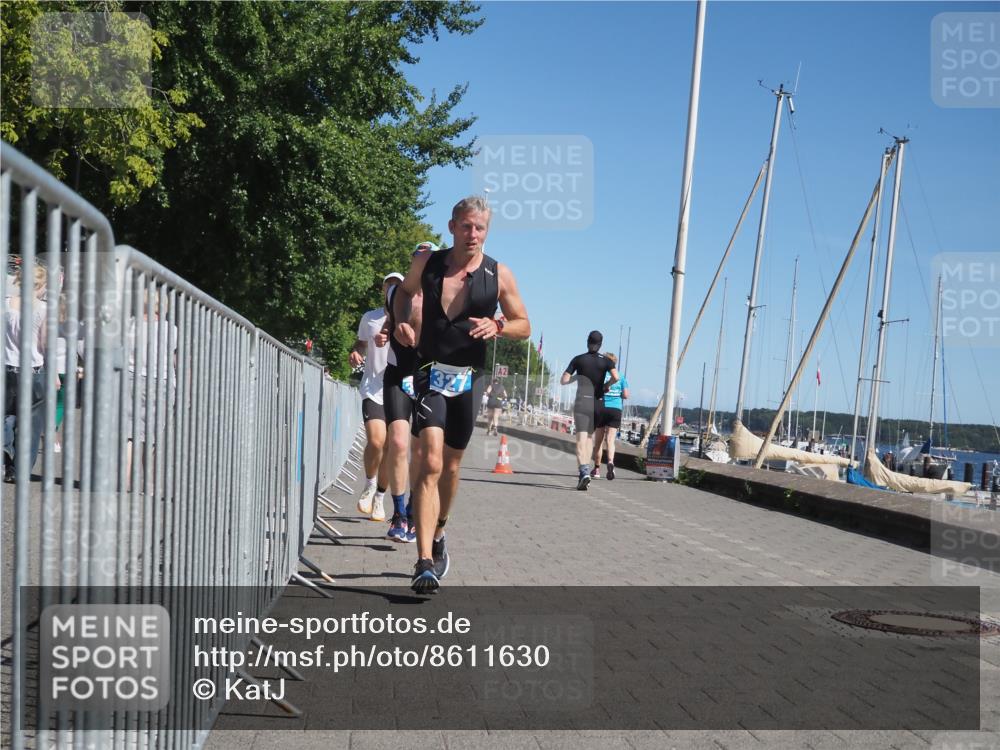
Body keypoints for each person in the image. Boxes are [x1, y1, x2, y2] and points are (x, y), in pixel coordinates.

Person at [393, 196, 530, 592]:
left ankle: (439, 531)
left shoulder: (498, 274)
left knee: (451, 467)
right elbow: (404, 293)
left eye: (480, 228)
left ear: (487, 231)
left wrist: (499, 326)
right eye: (466, 226)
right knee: (430, 461)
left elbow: (525, 324)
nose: (473, 234)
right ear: (452, 226)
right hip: (428, 370)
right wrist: (402, 322)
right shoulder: (428, 263)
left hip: (469, 379)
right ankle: (422, 563)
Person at [375, 244, 436, 543]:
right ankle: (398, 514)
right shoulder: (395, 293)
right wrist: (386, 331)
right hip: (398, 374)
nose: (422, 266)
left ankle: (413, 511)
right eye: (418, 261)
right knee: (397, 442)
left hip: (427, 378)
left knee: (423, 453)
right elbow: (389, 318)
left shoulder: (442, 297)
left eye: (429, 261)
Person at [348, 274, 399, 522]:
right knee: (377, 442)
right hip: (373, 388)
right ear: (383, 289)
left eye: (398, 286)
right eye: (389, 285)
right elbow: (360, 345)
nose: (393, 289)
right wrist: (356, 354)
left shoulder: (409, 317)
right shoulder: (370, 318)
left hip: (398, 390)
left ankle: (379, 497)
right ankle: (369, 483)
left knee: (391, 449)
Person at [3, 266, 47, 483]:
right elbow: (44, 343)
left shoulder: (6, 304)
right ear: (39, 286)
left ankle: (6, 457)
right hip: (33, 370)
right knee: (31, 423)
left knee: (5, 417)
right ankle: (20, 470)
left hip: (7, 368)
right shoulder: (43, 309)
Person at [561, 331, 618, 490]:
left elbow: (563, 380)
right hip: (598, 404)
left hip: (582, 403)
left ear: (587, 342)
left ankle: (584, 471)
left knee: (581, 439)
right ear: (600, 344)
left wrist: (575, 378)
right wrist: (606, 386)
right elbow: (616, 377)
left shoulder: (578, 359)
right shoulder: (606, 361)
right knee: (589, 439)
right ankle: (586, 468)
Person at [591, 352, 629, 480]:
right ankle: (611, 462)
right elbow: (626, 395)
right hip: (616, 409)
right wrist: (617, 393)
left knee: (599, 441)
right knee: (610, 440)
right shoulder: (621, 376)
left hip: (602, 407)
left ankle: (596, 469)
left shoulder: (600, 375)